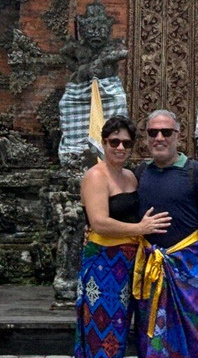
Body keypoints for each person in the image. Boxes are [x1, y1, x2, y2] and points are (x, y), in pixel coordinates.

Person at [75, 115, 171, 358]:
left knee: (126, 329)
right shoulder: (96, 176)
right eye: (114, 142)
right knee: (104, 334)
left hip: (132, 264)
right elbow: (99, 222)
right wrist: (140, 229)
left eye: (126, 144)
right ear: (104, 142)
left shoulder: (130, 176)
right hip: (103, 265)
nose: (120, 148)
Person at [133, 110, 198, 358]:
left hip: (190, 271)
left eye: (166, 132)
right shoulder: (140, 173)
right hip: (151, 271)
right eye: (153, 132)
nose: (159, 138)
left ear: (178, 136)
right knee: (152, 337)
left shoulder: (197, 172)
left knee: (197, 336)